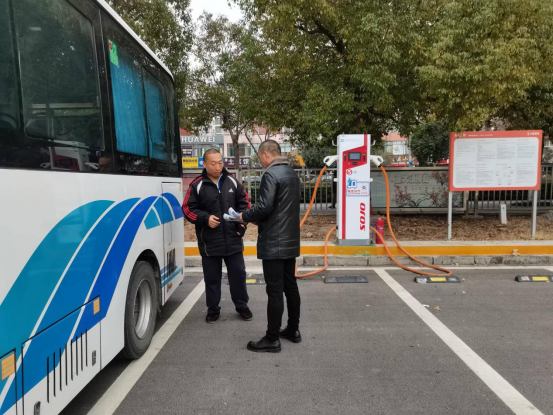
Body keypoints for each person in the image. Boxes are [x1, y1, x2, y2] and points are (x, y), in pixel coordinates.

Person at [238, 140, 302, 353]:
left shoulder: (271, 175)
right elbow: (281, 208)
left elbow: (264, 207)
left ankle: (272, 338)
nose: (261, 162)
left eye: (260, 157)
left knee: (274, 290)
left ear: (266, 154)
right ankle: (293, 329)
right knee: (290, 286)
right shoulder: (292, 174)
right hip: (290, 239)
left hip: (274, 241)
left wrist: (244, 215)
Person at [183, 148, 253, 324]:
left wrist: (242, 224)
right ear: (204, 164)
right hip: (209, 242)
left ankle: (242, 306)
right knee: (212, 278)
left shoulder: (232, 181)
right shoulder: (197, 185)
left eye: (220, 162)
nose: (217, 167)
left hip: (233, 239)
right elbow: (187, 209)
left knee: (238, 275)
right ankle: (213, 309)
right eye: (213, 163)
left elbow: (245, 204)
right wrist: (205, 219)